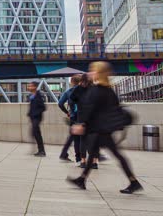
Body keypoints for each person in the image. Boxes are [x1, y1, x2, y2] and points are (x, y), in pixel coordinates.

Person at [68, 62, 142, 194]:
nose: (90, 73)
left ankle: (134, 182)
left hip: (100, 130)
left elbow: (89, 109)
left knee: (116, 155)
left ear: (98, 73)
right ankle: (82, 179)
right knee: (96, 155)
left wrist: (81, 124)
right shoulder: (109, 90)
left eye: (92, 70)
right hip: (104, 129)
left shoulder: (96, 90)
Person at [70, 73, 97, 169]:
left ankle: (83, 161)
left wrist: (79, 101)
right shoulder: (95, 88)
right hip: (94, 117)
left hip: (81, 116)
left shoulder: (78, 88)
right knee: (93, 140)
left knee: (83, 139)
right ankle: (94, 162)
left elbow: (72, 98)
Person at [58, 74, 82, 162]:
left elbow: (60, 103)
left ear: (71, 82)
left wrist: (67, 112)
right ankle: (94, 157)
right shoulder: (84, 91)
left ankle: (77, 158)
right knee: (83, 138)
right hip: (83, 117)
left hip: (73, 117)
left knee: (75, 138)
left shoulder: (68, 92)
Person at [27, 81, 46, 157]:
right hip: (33, 117)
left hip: (37, 117)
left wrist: (35, 113)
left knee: (36, 133)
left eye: (30, 86)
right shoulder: (32, 95)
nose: (29, 87)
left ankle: (42, 151)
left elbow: (43, 107)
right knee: (35, 133)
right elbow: (32, 106)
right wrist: (30, 113)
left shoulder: (39, 95)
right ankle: (40, 150)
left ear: (35, 87)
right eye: (29, 86)